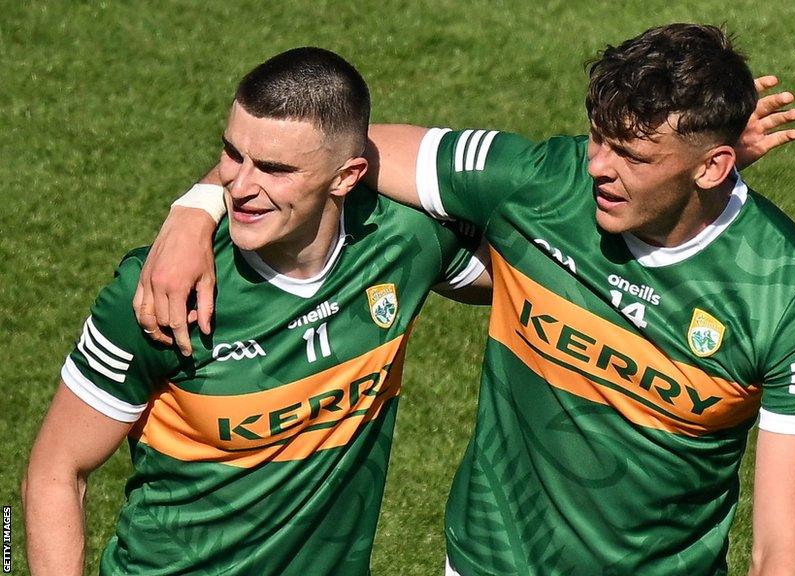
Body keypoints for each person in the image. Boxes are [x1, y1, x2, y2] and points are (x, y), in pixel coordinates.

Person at [135, 24, 795, 576]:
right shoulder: (535, 185)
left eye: (634, 157)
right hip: (487, 560)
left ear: (715, 165)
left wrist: (687, 190)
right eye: (598, 139)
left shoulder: (790, 295)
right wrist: (195, 208)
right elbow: (319, 151)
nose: (597, 169)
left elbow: (782, 550)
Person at [23, 47, 487, 576]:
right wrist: (197, 204)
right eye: (231, 154)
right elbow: (55, 472)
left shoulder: (403, 240)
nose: (240, 188)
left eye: (274, 169)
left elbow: (535, 275)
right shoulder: (162, 290)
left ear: (346, 176)